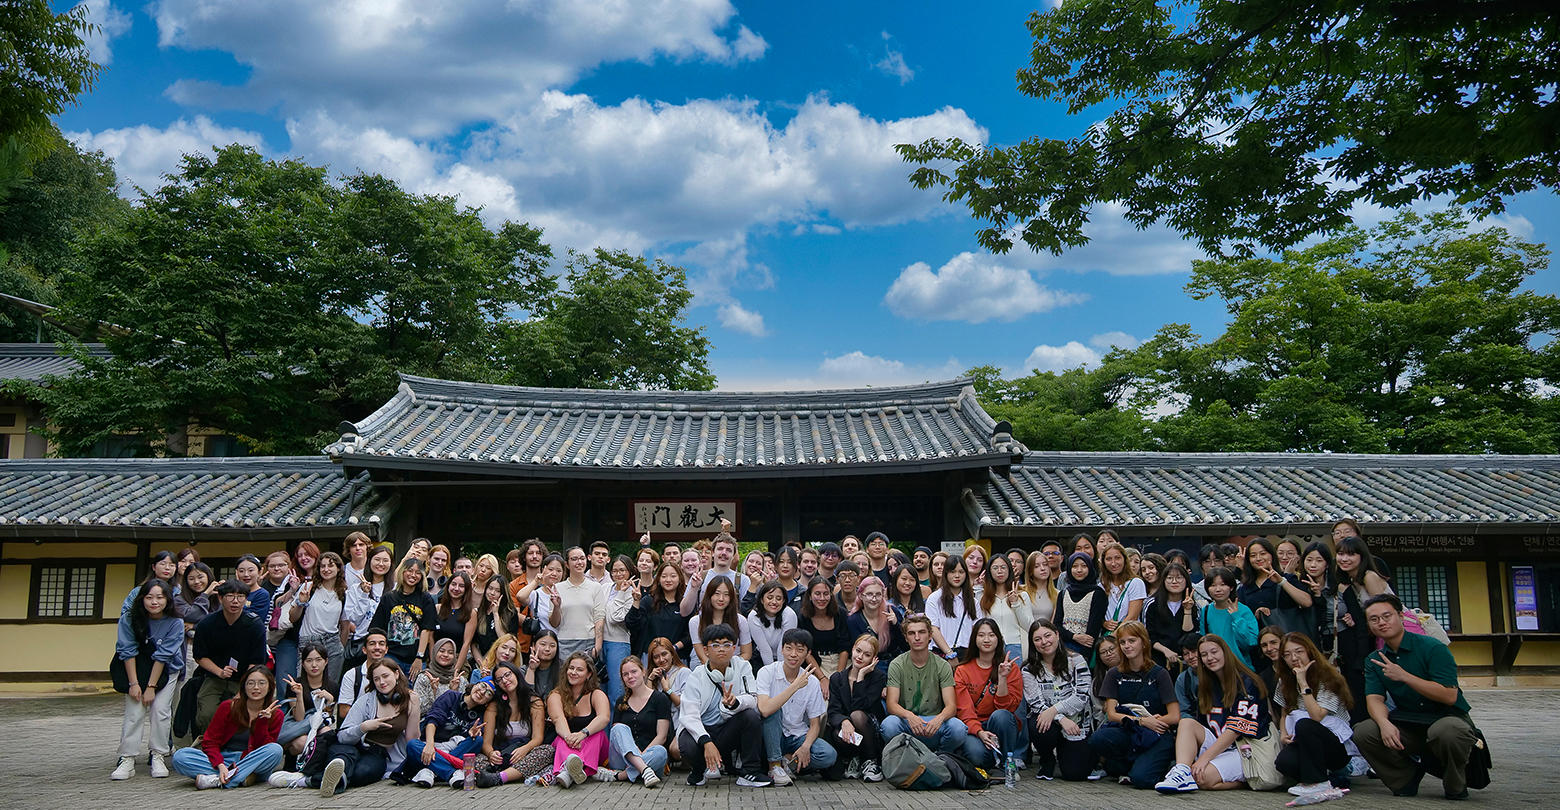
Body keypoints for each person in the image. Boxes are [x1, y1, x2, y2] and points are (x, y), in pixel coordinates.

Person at [1353, 594, 1478, 800]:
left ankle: (1455, 783)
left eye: (1387, 616)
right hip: (1410, 722)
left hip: (1447, 718)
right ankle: (1405, 779)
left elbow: (1449, 696)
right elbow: (1375, 698)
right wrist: (1384, 723)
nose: (1381, 623)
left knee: (1446, 731)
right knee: (1364, 731)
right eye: (1374, 619)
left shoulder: (1433, 647)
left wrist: (1404, 676)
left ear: (1401, 616)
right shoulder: (1375, 659)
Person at [1154, 634, 1269, 792]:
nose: (1209, 658)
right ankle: (1182, 771)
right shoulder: (1207, 684)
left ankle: (1248, 779)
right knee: (1186, 723)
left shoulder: (1247, 683)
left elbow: (1235, 730)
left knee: (1203, 778)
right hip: (1218, 741)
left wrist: (1203, 759)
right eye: (1204, 654)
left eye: (1214, 652)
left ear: (1225, 652)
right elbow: (1201, 725)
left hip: (1244, 747)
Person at [294, 659, 421, 796]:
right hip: (350, 747)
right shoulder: (365, 701)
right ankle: (332, 775)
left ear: (396, 674)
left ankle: (309, 780)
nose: (382, 682)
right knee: (343, 760)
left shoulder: (411, 699)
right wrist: (363, 727)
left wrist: (416, 764)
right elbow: (342, 736)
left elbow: (412, 737)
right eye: (376, 679)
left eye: (385, 676)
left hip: (377, 753)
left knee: (363, 773)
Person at [1087, 621, 1180, 788]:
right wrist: (1142, 721)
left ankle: (1157, 766)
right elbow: (1112, 714)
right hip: (1130, 729)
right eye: (1122, 642)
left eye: (1132, 641)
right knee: (1098, 738)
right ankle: (1129, 767)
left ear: (1143, 642)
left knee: (1142, 780)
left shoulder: (1159, 673)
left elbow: (1174, 716)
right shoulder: (1114, 674)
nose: (1126, 646)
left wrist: (1153, 723)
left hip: (1157, 733)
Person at [678, 624, 772, 787]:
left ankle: (750, 772)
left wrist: (735, 702)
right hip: (703, 731)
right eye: (715, 645)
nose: (721, 649)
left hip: (726, 730)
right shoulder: (696, 676)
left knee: (750, 717)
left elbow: (752, 698)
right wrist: (706, 742)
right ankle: (699, 770)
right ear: (706, 650)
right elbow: (689, 715)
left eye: (727, 644)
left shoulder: (743, 666)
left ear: (734, 648)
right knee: (686, 743)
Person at [1273, 632, 1360, 801]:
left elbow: (1317, 716)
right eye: (1287, 655)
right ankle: (1333, 780)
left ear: (1309, 651)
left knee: (1305, 724)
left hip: (1335, 744)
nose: (1294, 658)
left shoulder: (1328, 677)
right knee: (1284, 763)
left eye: (1299, 651)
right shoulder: (1285, 680)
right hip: (1304, 741)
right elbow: (1285, 712)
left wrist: (1303, 683)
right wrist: (1283, 734)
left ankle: (1317, 782)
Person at [113, 578, 184, 781]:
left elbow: (164, 656)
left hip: (166, 670)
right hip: (136, 669)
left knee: (160, 711)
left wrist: (151, 687)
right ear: (141, 599)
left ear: (168, 599)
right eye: (149, 597)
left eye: (160, 597)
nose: (154, 602)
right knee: (134, 712)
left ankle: (158, 754)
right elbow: (127, 651)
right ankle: (127, 758)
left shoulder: (175, 622)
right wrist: (134, 684)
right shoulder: (129, 619)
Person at [172, 665, 283, 789]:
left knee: (275, 750)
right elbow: (210, 741)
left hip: (251, 761)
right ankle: (239, 778)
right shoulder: (228, 707)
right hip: (224, 758)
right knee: (180, 756)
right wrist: (220, 765)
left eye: (262, 683)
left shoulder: (276, 714)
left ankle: (217, 780)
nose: (256, 687)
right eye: (250, 683)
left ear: (269, 687)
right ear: (244, 687)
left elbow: (263, 747)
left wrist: (262, 722)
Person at [757, 628, 838, 784]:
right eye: (789, 648)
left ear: (808, 653)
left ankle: (788, 763)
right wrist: (795, 686)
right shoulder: (766, 672)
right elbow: (765, 710)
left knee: (828, 755)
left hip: (797, 735)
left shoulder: (812, 682)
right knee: (774, 709)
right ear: (782, 650)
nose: (793, 654)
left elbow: (815, 724)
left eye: (800, 650)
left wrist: (806, 746)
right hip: (771, 735)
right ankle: (774, 766)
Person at [883, 614, 968, 754]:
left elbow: (951, 706)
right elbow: (891, 704)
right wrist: (909, 716)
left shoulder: (942, 665)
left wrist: (939, 719)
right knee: (889, 725)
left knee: (958, 728)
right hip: (908, 723)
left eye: (922, 632)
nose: (917, 637)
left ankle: (941, 756)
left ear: (930, 636)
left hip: (934, 722)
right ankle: (908, 755)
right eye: (912, 633)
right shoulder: (897, 664)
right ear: (906, 638)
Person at [191, 580, 269, 732]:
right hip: (214, 676)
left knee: (241, 712)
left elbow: (257, 661)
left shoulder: (254, 625)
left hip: (245, 678)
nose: (235, 601)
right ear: (221, 598)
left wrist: (244, 688)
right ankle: (208, 741)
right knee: (207, 713)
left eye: (240, 597)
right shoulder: (207, 624)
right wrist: (219, 672)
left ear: (246, 600)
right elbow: (200, 656)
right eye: (230, 596)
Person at [1022, 619, 1095, 781]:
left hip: (1076, 722)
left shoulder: (1077, 660)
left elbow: (1082, 696)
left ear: (1057, 635)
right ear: (1033, 643)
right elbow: (1036, 703)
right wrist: (1060, 718)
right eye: (1038, 639)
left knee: (1075, 774)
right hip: (1050, 723)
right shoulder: (1028, 670)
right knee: (1037, 724)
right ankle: (1047, 758)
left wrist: (1055, 710)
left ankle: (1070, 752)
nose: (1044, 642)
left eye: (1047, 636)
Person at [1334, 535, 1392, 723]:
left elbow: (1383, 611)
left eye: (1351, 554)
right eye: (1340, 554)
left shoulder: (1369, 576)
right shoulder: (1351, 581)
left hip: (1389, 631)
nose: (1344, 559)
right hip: (1376, 634)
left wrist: (1363, 620)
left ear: (1362, 556)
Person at [954, 618, 1022, 769]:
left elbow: (1007, 708)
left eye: (991, 635)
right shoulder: (963, 670)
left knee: (1001, 716)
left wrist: (1002, 678)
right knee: (975, 756)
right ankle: (990, 760)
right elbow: (964, 710)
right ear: (974, 639)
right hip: (974, 725)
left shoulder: (1011, 669)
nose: (986, 640)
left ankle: (1007, 763)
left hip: (999, 723)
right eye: (981, 635)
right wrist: (979, 732)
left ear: (998, 638)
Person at [473, 661, 555, 787]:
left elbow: (538, 738)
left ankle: (499, 777)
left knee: (547, 751)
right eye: (499, 679)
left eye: (507, 675)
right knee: (476, 758)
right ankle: (511, 774)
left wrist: (524, 749)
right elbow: (486, 741)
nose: (504, 680)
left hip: (523, 752)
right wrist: (491, 754)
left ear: (516, 674)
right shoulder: (494, 706)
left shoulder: (534, 702)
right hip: (500, 754)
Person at [402, 677, 493, 788]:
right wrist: (430, 745)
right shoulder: (451, 696)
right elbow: (432, 720)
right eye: (483, 686)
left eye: (488, 693)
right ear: (475, 684)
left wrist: (471, 733)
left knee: (478, 740)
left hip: (453, 750)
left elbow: (470, 740)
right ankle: (451, 773)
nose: (482, 692)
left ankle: (432, 771)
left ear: (488, 702)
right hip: (433, 746)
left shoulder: (480, 714)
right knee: (412, 744)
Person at [543, 652, 612, 787]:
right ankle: (572, 769)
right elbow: (558, 719)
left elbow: (604, 717)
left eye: (579, 670)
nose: (574, 672)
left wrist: (582, 734)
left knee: (597, 734)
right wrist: (569, 737)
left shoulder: (596, 694)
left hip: (591, 743)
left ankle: (568, 771)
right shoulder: (556, 695)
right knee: (560, 739)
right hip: (567, 742)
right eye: (571, 668)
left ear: (589, 674)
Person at [828, 633, 888, 782]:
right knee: (837, 731)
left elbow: (860, 706)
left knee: (857, 715)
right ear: (853, 649)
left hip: (870, 727)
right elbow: (833, 711)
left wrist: (860, 677)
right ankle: (854, 758)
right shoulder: (837, 678)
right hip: (850, 729)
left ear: (874, 659)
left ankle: (871, 761)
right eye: (858, 651)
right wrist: (844, 721)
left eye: (867, 655)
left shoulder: (878, 677)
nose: (860, 657)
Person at [285, 550, 348, 687]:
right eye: (322, 566)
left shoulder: (343, 593)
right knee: (303, 686)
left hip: (333, 641)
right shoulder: (309, 587)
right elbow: (292, 617)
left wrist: (340, 647)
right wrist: (301, 603)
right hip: (309, 640)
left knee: (330, 687)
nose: (326, 569)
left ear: (338, 568)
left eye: (330, 565)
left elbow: (345, 625)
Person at [605, 656, 671, 787]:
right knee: (618, 728)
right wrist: (636, 756)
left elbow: (662, 736)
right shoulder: (621, 701)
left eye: (634, 671)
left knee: (661, 751)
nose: (630, 676)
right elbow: (618, 737)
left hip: (651, 757)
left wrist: (642, 755)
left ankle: (621, 775)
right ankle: (643, 770)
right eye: (625, 674)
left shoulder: (660, 699)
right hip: (622, 759)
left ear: (644, 672)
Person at [370, 557, 437, 679]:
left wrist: (419, 657)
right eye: (409, 570)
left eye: (418, 572)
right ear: (402, 571)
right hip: (392, 655)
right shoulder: (389, 598)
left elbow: (426, 630)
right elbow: (378, 628)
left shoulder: (426, 598)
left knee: (413, 689)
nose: (413, 575)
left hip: (415, 657)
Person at [1239, 537, 1314, 635]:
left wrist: (1281, 581)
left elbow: (1307, 602)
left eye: (1263, 553)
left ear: (1272, 555)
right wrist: (1255, 615)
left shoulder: (1287, 578)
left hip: (1287, 637)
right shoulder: (1244, 588)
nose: (1258, 558)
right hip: (1259, 639)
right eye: (1253, 555)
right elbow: (1241, 618)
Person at [278, 644, 336, 758]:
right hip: (297, 727)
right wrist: (299, 694)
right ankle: (291, 761)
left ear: (326, 661)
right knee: (303, 742)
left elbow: (327, 718)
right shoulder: (295, 684)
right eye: (309, 661)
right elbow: (298, 718)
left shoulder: (332, 686)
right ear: (303, 664)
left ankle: (317, 764)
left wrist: (330, 701)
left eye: (318, 660)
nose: (314, 665)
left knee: (327, 732)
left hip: (318, 725)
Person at [549, 546, 606, 659]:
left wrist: (597, 647)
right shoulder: (557, 588)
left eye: (582, 558)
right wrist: (556, 606)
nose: (579, 562)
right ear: (567, 564)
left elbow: (599, 617)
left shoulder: (596, 587)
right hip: (564, 642)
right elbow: (554, 623)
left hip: (588, 642)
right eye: (574, 559)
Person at [629, 562, 693, 661]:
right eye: (664, 576)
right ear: (658, 579)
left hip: (678, 657)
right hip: (650, 657)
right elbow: (632, 624)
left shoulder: (686, 604)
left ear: (680, 579)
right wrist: (636, 601)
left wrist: (674, 647)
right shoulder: (649, 601)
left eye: (673, 576)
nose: (668, 580)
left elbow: (690, 633)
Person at [1200, 566, 1259, 669]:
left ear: (1231, 587)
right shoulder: (1206, 611)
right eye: (1213, 585)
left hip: (1241, 668)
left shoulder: (1243, 610)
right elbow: (1204, 641)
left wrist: (1236, 617)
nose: (1218, 589)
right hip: (1217, 669)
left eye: (1223, 584)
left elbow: (1250, 643)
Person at [262, 550, 302, 696]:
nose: (276, 568)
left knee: (285, 678)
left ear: (289, 566)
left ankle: (285, 708)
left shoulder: (296, 584)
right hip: (265, 639)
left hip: (287, 636)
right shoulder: (262, 586)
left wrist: (293, 589)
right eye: (272, 566)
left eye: (281, 565)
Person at [847, 575, 907, 672]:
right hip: (871, 666)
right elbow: (858, 651)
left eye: (878, 594)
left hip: (896, 662)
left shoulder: (892, 611)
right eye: (869, 594)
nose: (874, 599)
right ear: (861, 596)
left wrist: (896, 624)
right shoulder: (854, 620)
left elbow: (905, 645)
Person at [981, 553, 1034, 661]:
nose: (999, 571)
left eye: (1003, 567)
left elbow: (1030, 626)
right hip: (991, 647)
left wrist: (1015, 604)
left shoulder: (1022, 595)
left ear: (1009, 570)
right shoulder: (983, 596)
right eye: (995, 568)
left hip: (1015, 646)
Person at [926, 556, 981, 660]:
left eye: (961, 572)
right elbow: (933, 628)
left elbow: (976, 629)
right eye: (952, 571)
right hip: (941, 653)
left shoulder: (973, 602)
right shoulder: (935, 598)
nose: (957, 576)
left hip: (966, 654)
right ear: (946, 573)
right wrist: (949, 653)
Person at [682, 533, 752, 612]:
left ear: (733, 555)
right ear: (712, 553)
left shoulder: (742, 580)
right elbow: (684, 612)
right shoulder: (699, 577)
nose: (724, 553)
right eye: (720, 549)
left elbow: (747, 611)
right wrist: (693, 589)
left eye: (729, 550)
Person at [690, 577, 753, 664]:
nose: (721, 599)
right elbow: (702, 657)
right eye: (717, 593)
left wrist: (731, 667)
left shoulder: (740, 620)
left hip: (735, 666)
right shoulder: (696, 622)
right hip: (706, 667)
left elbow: (747, 653)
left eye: (726, 594)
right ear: (709, 595)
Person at [344, 545, 392, 658]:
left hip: (388, 645)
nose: (381, 564)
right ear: (369, 561)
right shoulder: (356, 588)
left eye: (385, 560)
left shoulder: (395, 589)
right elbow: (354, 618)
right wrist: (364, 594)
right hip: (362, 643)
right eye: (377, 559)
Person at [1146, 562, 1197, 667]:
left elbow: (1189, 634)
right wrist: (1166, 651)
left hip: (1185, 660)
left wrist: (1187, 610)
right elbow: (1149, 636)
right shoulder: (1153, 605)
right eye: (1169, 578)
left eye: (1179, 578)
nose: (1174, 581)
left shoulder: (1193, 605)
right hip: (1159, 660)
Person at [797, 575, 851, 675]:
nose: (822, 598)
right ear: (810, 596)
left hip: (842, 662)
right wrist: (822, 678)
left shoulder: (841, 614)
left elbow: (845, 647)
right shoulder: (803, 618)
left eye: (826, 594)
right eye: (817, 594)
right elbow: (806, 651)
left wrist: (839, 676)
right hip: (817, 664)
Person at [602, 555, 639, 702]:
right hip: (599, 641)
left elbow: (615, 618)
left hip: (618, 643)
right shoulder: (605, 588)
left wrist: (621, 592)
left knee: (616, 691)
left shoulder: (632, 593)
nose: (618, 574)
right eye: (615, 571)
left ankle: (618, 717)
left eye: (622, 570)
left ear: (630, 571)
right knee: (600, 690)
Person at [1056, 552, 1106, 656]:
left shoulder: (1097, 593)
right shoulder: (1063, 593)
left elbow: (1094, 628)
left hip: (1087, 649)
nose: (1079, 570)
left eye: (1084, 566)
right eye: (1074, 566)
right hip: (1063, 648)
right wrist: (1074, 637)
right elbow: (1057, 624)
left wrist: (1085, 656)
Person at [337, 628, 390, 722]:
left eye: (381, 644)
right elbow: (343, 711)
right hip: (358, 726)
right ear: (364, 650)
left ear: (386, 649)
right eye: (372, 644)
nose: (377, 647)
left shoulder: (394, 673)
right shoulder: (352, 675)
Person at [430, 572, 477, 673]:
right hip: (436, 658)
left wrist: (455, 671)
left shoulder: (471, 613)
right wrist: (433, 663)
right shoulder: (437, 609)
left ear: (466, 589)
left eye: (461, 586)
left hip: (457, 659)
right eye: (453, 584)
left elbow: (466, 643)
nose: (456, 588)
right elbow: (431, 637)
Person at [749, 580, 800, 667]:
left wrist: (780, 670)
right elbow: (764, 648)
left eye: (779, 599)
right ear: (762, 599)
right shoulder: (753, 616)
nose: (774, 602)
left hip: (786, 656)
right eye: (769, 598)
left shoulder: (789, 614)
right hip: (761, 657)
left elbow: (784, 647)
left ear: (783, 601)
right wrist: (771, 671)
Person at [471, 573, 519, 665]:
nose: (492, 593)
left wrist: (495, 614)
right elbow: (473, 643)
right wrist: (482, 664)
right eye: (490, 588)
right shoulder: (479, 612)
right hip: (481, 661)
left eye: (498, 590)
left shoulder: (510, 613)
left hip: (502, 661)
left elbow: (505, 641)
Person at [1099, 544, 1146, 634]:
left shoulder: (1136, 583)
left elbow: (1132, 616)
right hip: (1107, 634)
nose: (1113, 563)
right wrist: (1104, 623)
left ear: (1124, 559)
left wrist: (1115, 635)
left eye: (1117, 558)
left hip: (1128, 633)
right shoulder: (1102, 585)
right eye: (1108, 559)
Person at [412, 638, 467, 711]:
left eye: (450, 652)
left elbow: (463, 710)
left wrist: (453, 692)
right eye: (442, 651)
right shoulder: (424, 678)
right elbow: (418, 710)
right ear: (435, 652)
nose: (445, 655)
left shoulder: (459, 680)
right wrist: (433, 692)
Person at [524, 629, 562, 698]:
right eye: (543, 644)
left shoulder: (563, 668)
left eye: (552, 646)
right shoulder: (523, 670)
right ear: (533, 646)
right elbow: (526, 695)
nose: (547, 649)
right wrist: (531, 669)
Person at [1024, 550, 1058, 622]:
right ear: (1030, 571)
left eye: (1045, 564)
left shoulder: (1057, 594)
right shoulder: (1022, 592)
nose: (1042, 568)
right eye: (1036, 566)